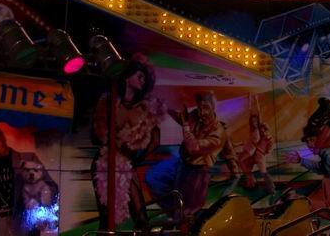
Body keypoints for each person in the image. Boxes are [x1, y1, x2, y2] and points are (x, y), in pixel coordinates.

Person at [92, 55, 165, 229]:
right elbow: (98, 132)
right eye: (139, 76)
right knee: (106, 219)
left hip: (127, 165)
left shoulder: (145, 108)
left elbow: (155, 140)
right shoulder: (108, 101)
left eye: (145, 77)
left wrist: (137, 158)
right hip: (105, 163)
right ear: (127, 77)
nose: (143, 80)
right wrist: (115, 143)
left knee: (141, 218)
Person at [145, 92, 237, 215]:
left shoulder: (219, 133)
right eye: (199, 107)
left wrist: (186, 127)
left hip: (198, 173)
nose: (202, 112)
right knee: (153, 177)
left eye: (206, 107)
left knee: (187, 209)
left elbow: (193, 148)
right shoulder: (195, 115)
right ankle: (176, 212)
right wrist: (166, 107)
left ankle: (179, 214)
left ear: (213, 107)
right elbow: (182, 118)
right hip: (182, 163)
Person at [0, 127, 59, 236]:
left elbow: (52, 186)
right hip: (2, 223)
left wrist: (41, 208)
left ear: (3, 139)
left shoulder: (28, 158)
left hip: (25, 221)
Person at [238, 94, 275, 194]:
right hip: (253, 152)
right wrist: (250, 100)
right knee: (245, 164)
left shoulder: (262, 131)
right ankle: (250, 182)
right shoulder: (252, 129)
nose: (254, 122)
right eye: (253, 121)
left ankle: (270, 188)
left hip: (254, 151)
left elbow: (258, 113)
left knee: (263, 172)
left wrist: (256, 99)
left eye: (256, 121)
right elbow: (251, 113)